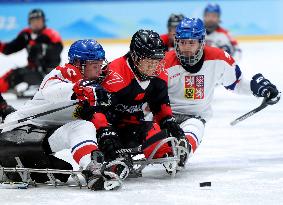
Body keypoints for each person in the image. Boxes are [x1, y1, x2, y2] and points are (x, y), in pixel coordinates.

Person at [0, 39, 128, 191]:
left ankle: (92, 168)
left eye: (101, 65)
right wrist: (79, 88)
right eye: (95, 66)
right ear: (80, 64)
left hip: (43, 137)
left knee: (83, 126)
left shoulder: (94, 87)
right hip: (16, 131)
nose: (99, 71)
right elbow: (51, 92)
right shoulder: (61, 73)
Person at [164, 17, 280, 165]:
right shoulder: (164, 62)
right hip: (164, 115)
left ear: (201, 42)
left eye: (191, 42)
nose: (185, 47)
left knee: (195, 127)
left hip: (194, 117)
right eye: (182, 42)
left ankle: (182, 152)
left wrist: (260, 88)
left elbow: (237, 83)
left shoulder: (219, 59)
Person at [99, 29, 188, 173]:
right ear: (134, 56)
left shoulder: (160, 74)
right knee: (115, 163)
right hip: (109, 128)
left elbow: (160, 105)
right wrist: (106, 136)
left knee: (158, 135)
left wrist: (171, 124)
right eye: (148, 61)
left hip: (134, 126)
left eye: (157, 61)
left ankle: (164, 152)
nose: (153, 67)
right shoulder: (114, 75)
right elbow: (97, 112)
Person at [0, 9, 63, 98]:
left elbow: (56, 52)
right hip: (31, 70)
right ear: (29, 22)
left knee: (21, 74)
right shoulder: (26, 34)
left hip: (48, 73)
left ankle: (43, 86)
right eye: (33, 21)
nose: (36, 23)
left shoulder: (51, 34)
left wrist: (41, 48)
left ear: (44, 21)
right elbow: (9, 49)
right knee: (10, 77)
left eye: (38, 20)